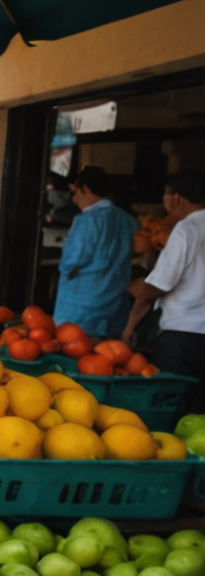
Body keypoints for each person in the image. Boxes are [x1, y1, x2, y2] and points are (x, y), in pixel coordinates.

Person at [123, 169, 205, 409]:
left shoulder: (186, 230)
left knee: (173, 409)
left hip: (184, 338)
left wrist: (130, 326)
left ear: (177, 198)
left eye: (166, 196)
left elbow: (157, 286)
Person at [54, 166, 138, 338]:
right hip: (115, 304)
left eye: (77, 191)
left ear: (86, 189)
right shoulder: (127, 219)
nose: (74, 197)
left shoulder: (86, 221)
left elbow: (72, 260)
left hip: (80, 306)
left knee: (75, 354)